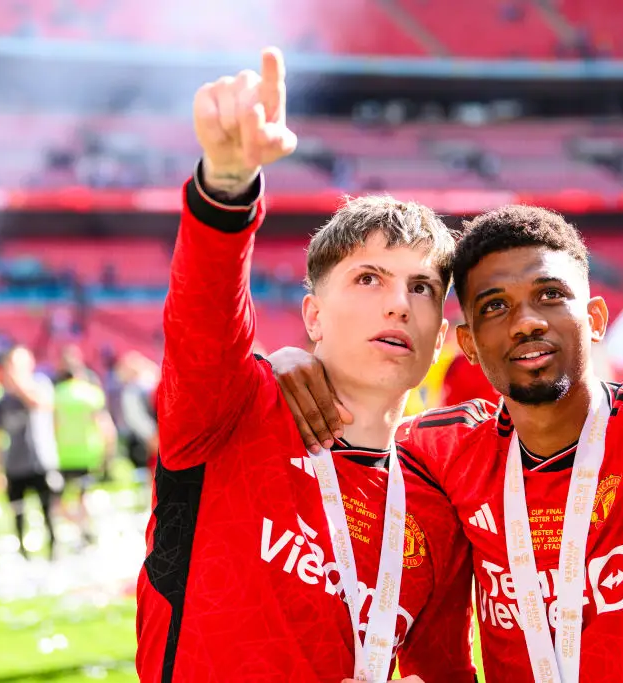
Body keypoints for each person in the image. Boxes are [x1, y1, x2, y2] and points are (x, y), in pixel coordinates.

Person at [272, 124, 623, 681]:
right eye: (495, 306)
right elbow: (364, 419)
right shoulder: (443, 453)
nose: (526, 322)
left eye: (550, 295)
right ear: (469, 344)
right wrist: (285, 363)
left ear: (594, 318)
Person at [135, 49, 474, 683]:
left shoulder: (437, 508)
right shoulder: (232, 415)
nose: (399, 304)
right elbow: (202, 319)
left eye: (422, 287)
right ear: (313, 316)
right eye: (369, 279)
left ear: (440, 340)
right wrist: (227, 185)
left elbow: (444, 668)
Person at [0, 346, 60, 560]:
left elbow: (39, 403)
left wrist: (18, 384)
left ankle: (54, 554)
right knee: (18, 514)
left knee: (48, 513)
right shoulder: (3, 401)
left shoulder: (41, 385)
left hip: (41, 461)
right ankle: (23, 555)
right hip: (14, 465)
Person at [53, 366, 117, 544]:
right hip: (89, 451)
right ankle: (85, 529)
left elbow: (53, 425)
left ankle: (76, 528)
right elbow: (104, 424)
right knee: (84, 495)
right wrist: (109, 451)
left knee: (62, 498)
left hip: (63, 453)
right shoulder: (91, 393)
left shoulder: (57, 395)